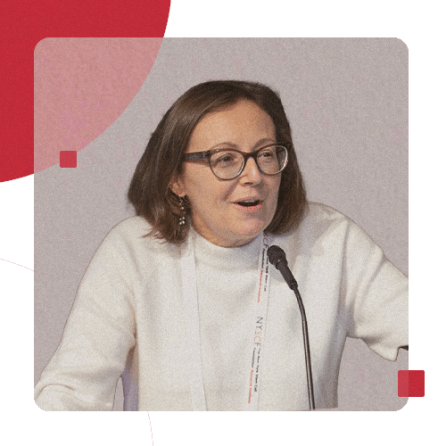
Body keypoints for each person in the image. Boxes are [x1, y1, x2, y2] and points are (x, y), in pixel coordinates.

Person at [33, 80, 409, 412]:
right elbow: (69, 392)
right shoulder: (133, 252)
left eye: (266, 154)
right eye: (225, 159)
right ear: (176, 179)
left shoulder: (328, 240)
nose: (254, 175)